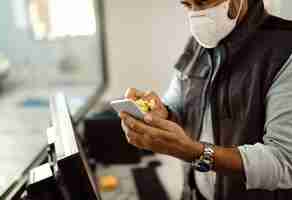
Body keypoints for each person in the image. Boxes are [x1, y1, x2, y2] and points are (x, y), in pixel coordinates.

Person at [119, 0, 292, 199]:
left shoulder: (284, 49)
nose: (196, 15)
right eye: (187, 5)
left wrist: (194, 152)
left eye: (202, 3)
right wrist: (162, 113)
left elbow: (284, 160)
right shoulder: (197, 45)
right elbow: (178, 103)